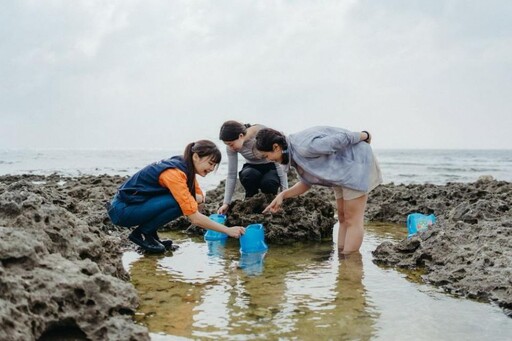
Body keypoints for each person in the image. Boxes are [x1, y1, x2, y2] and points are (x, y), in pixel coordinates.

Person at [255, 126, 382, 254]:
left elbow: (342, 139)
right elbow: (306, 183)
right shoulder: (293, 154)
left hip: (356, 163)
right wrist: (282, 195)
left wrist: (365, 135)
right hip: (339, 172)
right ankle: (342, 261)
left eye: (267, 155)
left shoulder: (305, 147)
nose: (268, 160)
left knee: (352, 219)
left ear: (276, 147)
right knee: (343, 218)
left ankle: (350, 264)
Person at [107, 140, 245, 253]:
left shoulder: (186, 166)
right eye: (210, 163)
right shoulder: (175, 173)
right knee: (178, 202)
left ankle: (150, 235)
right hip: (122, 211)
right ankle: (141, 234)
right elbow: (194, 218)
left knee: (184, 199)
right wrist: (227, 230)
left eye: (214, 165)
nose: (211, 169)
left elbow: (198, 196)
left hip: (134, 205)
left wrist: (198, 200)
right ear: (196, 157)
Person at [217, 120, 288, 214]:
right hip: (251, 168)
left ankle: (270, 202)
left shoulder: (262, 133)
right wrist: (226, 203)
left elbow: (279, 165)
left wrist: (284, 195)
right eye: (227, 145)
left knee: (268, 182)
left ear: (241, 136)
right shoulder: (232, 147)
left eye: (231, 144)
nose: (230, 148)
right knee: (249, 175)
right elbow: (231, 175)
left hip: (271, 166)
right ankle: (250, 200)